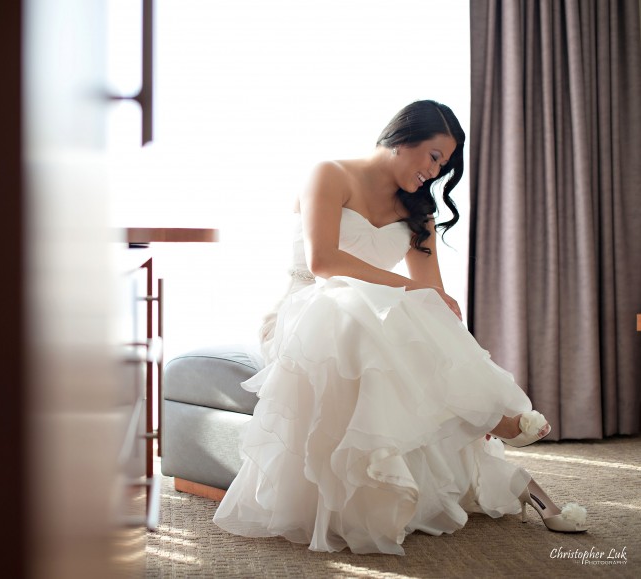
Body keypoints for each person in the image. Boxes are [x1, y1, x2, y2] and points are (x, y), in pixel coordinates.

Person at [212, 100, 587, 555]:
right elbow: (324, 262)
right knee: (354, 306)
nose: (436, 172)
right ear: (401, 139)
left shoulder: (419, 212)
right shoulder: (329, 174)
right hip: (306, 314)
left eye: (444, 165)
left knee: (410, 314)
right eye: (433, 156)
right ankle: (496, 416)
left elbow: (435, 301)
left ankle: (484, 409)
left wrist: (462, 368)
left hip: (371, 323)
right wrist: (412, 293)